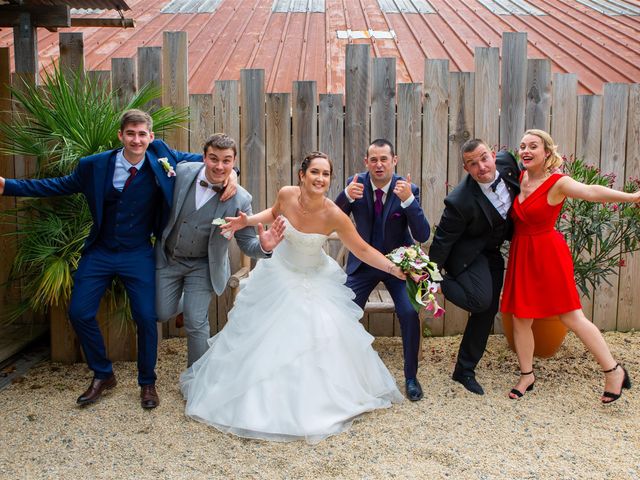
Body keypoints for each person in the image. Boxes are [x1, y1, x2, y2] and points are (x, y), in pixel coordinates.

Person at [0, 109, 234, 409]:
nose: (137, 140)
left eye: (142, 134)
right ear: (120, 135)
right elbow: (57, 185)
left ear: (151, 137)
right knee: (80, 312)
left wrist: (233, 176)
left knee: (146, 317)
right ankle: (102, 373)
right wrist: (8, 186)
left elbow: (210, 162)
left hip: (138, 251)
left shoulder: (162, 156)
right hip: (100, 250)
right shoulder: (94, 166)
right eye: (130, 134)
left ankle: (147, 382)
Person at [179, 152, 405, 443]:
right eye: (315, 172)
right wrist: (247, 220)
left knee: (320, 331)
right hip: (279, 273)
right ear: (302, 175)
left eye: (326, 174)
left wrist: (392, 268)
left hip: (314, 278)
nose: (320, 179)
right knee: (262, 335)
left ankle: (316, 402)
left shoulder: (334, 213)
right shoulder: (287, 194)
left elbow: (361, 249)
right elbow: (273, 214)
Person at [501, 129, 639, 402]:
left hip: (548, 254)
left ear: (547, 153)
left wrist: (632, 197)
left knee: (571, 317)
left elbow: (591, 191)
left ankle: (613, 371)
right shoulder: (518, 177)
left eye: (533, 146)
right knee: (520, 318)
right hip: (522, 254)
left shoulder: (558, 182)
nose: (526, 151)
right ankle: (527, 374)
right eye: (522, 146)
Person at [155, 133, 285, 367]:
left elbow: (247, 244)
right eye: (214, 158)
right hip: (169, 257)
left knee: (196, 322)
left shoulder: (240, 200)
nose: (219, 166)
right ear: (204, 157)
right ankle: (186, 301)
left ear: (234, 162)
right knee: (160, 312)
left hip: (203, 265)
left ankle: (196, 377)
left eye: (227, 161)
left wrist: (264, 247)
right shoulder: (182, 173)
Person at [335, 139, 430, 401]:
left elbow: (422, 233)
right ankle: (342, 374)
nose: (379, 165)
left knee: (410, 312)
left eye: (384, 159)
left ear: (394, 160)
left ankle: (411, 377)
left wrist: (409, 201)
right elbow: (331, 216)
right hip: (363, 265)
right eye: (373, 160)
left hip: (398, 267)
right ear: (366, 162)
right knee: (340, 310)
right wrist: (344, 197)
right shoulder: (355, 185)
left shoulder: (407, 188)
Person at [429, 139, 520, 395]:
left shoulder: (509, 164)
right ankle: (441, 282)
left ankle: (464, 370)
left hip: (491, 251)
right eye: (473, 163)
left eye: (484, 158)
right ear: (466, 168)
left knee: (488, 311)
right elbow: (443, 239)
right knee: (480, 301)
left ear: (493, 155)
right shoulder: (459, 200)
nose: (481, 166)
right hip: (466, 255)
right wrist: (430, 276)